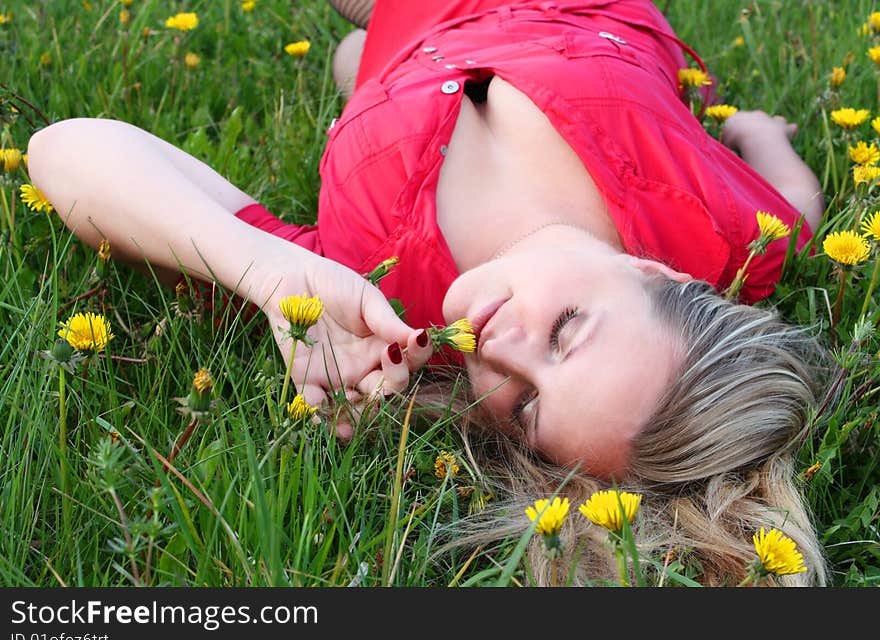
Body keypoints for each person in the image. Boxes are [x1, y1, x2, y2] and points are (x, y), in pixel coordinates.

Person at [26, 0, 833, 585]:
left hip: (405, 55)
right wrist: (758, 134)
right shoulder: (719, 229)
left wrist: (265, 272)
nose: (501, 348)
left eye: (522, 403)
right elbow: (798, 211)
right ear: (655, 273)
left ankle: (365, 64)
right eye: (565, 332)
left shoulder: (374, 293)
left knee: (363, 61)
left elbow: (66, 149)